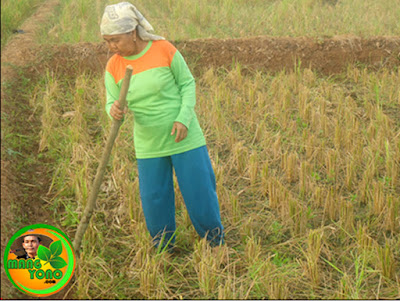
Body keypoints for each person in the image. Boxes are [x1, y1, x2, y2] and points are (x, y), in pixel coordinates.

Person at [100, 2, 224, 251]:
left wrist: (183, 118)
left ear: (132, 32)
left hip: (184, 137)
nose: (112, 47)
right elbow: (111, 101)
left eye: (115, 40)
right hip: (149, 143)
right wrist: (113, 110)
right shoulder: (113, 65)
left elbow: (187, 84)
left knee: (199, 192)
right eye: (107, 41)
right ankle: (164, 248)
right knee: (154, 198)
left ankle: (214, 243)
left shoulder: (163, 49)